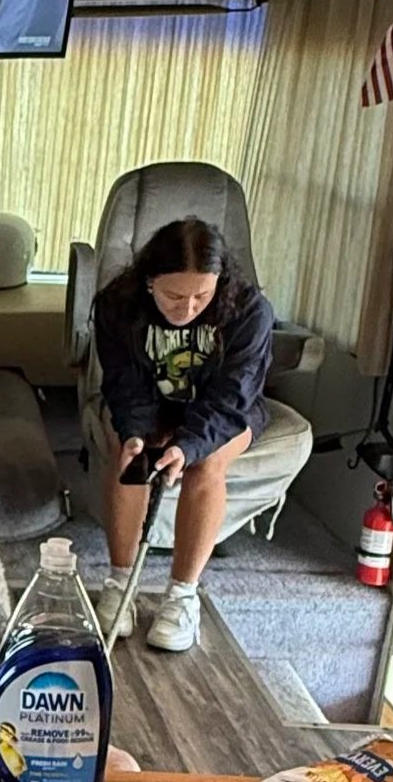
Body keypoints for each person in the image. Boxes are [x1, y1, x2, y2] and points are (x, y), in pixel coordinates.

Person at [90, 217, 275, 652]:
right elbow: (123, 383)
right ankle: (121, 583)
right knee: (131, 453)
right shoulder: (117, 304)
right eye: (174, 295)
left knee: (206, 464)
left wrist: (188, 446)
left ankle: (181, 595)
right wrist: (136, 431)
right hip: (154, 405)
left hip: (226, 412)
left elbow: (235, 395)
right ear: (150, 281)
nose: (187, 308)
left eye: (201, 296)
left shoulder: (249, 310)